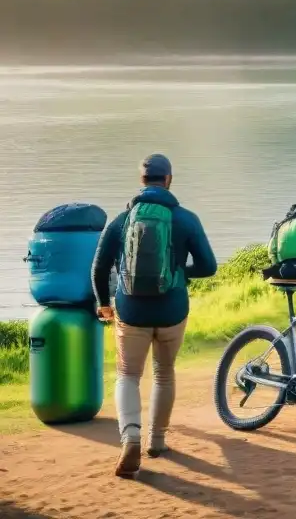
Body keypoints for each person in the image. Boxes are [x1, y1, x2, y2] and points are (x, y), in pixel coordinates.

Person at [92, 154, 217, 479]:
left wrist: (103, 302)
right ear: (169, 179)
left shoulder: (122, 221)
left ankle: (131, 435)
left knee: (128, 375)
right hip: (172, 310)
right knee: (163, 373)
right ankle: (157, 441)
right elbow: (208, 266)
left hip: (131, 311)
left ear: (142, 181)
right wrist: (179, 273)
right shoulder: (186, 219)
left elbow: (99, 268)